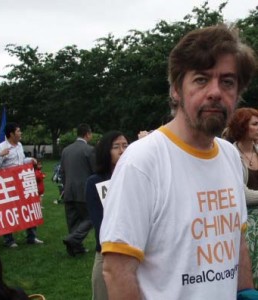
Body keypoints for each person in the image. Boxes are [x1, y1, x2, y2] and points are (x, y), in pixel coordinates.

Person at [100, 24, 258, 299]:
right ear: (176, 90)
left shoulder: (229, 155)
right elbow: (117, 270)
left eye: (227, 82)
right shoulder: (142, 161)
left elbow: (237, 242)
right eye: (201, 79)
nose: (215, 92)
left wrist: (246, 293)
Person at [86, 131, 129, 300]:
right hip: (107, 252)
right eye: (116, 147)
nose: (122, 150)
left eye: (125, 145)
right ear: (106, 151)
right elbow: (100, 223)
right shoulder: (95, 181)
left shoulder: (136, 176)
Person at [0, 122, 44, 248]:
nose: (21, 133)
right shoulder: (1, 147)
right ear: (11, 134)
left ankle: (32, 236)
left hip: (21, 182)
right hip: (9, 185)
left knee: (29, 207)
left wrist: (29, 160)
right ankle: (9, 240)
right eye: (19, 131)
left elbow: (20, 161)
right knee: (10, 210)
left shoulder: (19, 145)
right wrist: (1, 156)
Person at [227, 107, 258, 289]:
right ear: (242, 127)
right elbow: (242, 194)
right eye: (255, 124)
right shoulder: (231, 155)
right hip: (248, 218)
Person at [61, 123, 95, 256]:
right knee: (90, 217)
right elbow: (95, 171)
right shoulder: (89, 150)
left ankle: (75, 248)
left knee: (73, 221)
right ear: (87, 134)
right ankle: (73, 240)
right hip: (84, 190)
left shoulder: (66, 150)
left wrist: (65, 187)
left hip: (68, 190)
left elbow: (62, 172)